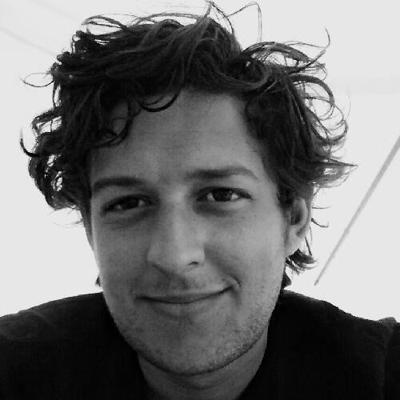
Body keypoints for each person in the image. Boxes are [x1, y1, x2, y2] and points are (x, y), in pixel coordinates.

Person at [1, 2, 399, 399]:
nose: (174, 256)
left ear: (294, 218)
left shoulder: (379, 374)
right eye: (128, 203)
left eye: (220, 195)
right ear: (91, 230)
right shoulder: (17, 368)